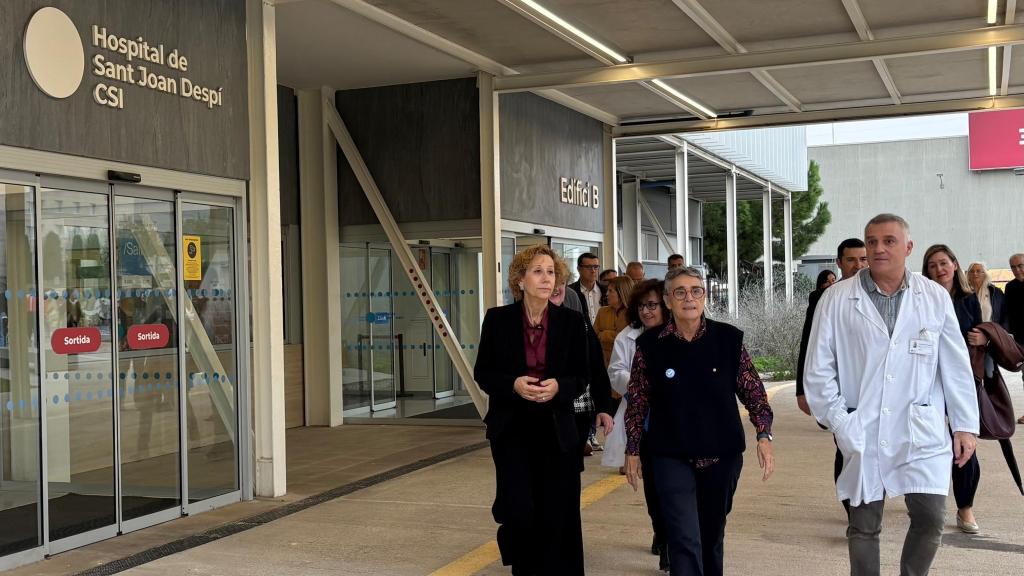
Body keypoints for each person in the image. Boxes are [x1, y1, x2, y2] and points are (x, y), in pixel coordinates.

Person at [804, 214, 978, 576]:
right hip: (863, 427)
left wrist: (964, 425)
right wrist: (841, 421)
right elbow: (818, 372)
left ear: (908, 247)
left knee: (931, 518)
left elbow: (955, 365)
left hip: (920, 427)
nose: (878, 248)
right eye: (872, 241)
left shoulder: (933, 297)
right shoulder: (836, 300)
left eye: (889, 241)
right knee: (863, 525)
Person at [625, 266, 775, 576]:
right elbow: (637, 400)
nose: (689, 298)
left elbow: (754, 392)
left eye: (696, 291)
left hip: (722, 454)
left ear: (705, 297)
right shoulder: (650, 346)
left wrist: (764, 435)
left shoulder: (728, 340)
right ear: (667, 300)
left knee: (711, 536)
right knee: (683, 537)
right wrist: (633, 449)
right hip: (670, 454)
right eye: (679, 292)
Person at [474, 245, 590, 575]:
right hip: (512, 429)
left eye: (551, 272)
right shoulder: (497, 320)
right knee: (519, 509)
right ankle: (523, 566)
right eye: (537, 271)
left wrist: (558, 387)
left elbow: (581, 375)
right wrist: (513, 384)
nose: (546, 278)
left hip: (558, 429)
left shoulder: (571, 321)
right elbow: (483, 372)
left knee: (559, 511)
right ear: (520, 280)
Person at [603, 279, 671, 571]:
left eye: (652, 305)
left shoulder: (679, 333)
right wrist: (638, 384)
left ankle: (671, 544)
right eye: (642, 306)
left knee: (674, 486)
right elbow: (615, 371)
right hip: (643, 422)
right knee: (654, 485)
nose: (646, 311)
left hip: (676, 421)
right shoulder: (627, 337)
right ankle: (660, 527)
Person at [921, 245, 985, 534]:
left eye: (944, 263)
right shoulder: (920, 299)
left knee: (964, 444)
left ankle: (965, 508)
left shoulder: (969, 300)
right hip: (925, 382)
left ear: (955, 264)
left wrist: (983, 336)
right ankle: (920, 497)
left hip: (961, 381)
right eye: (932, 265)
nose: (939, 269)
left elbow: (982, 333)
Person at [594, 276, 635, 366]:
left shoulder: (633, 314)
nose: (606, 294)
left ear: (621, 293)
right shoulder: (602, 312)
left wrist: (604, 334)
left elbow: (626, 340)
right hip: (602, 364)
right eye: (607, 290)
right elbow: (593, 337)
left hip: (625, 365)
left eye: (611, 291)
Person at [1005, 253, 1024, 423]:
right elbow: (1008, 314)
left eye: (1020, 265)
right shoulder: (1010, 287)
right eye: (1013, 267)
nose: (1017, 270)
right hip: (1021, 340)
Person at [967, 262, 1006, 330]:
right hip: (971, 334)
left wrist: (1003, 331)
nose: (975, 273)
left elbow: (1004, 314)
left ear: (984, 274)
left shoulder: (996, 292)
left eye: (978, 271)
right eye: (972, 271)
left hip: (992, 332)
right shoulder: (964, 293)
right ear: (968, 275)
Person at [569, 252, 604, 325]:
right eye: (588, 267)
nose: (593, 271)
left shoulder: (605, 291)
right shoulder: (570, 292)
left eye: (596, 267)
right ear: (579, 269)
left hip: (602, 335)